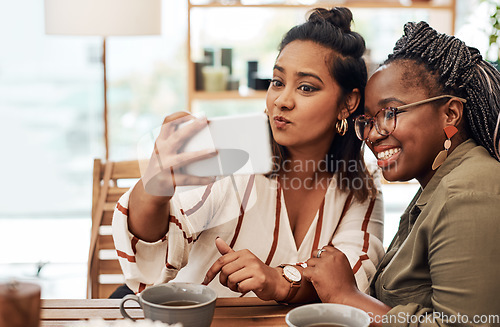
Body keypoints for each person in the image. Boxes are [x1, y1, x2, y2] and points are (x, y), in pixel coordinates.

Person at [112, 7, 384, 302]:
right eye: (277, 82)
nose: (281, 100)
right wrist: (158, 184)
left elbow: (352, 282)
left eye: (306, 87)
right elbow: (158, 237)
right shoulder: (237, 152)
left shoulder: (361, 188)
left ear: (348, 102)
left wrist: (279, 280)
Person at [303, 21, 500, 325]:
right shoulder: (437, 185)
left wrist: (348, 296)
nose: (373, 134)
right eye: (368, 120)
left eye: (390, 113)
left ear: (449, 113)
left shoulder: (468, 193)